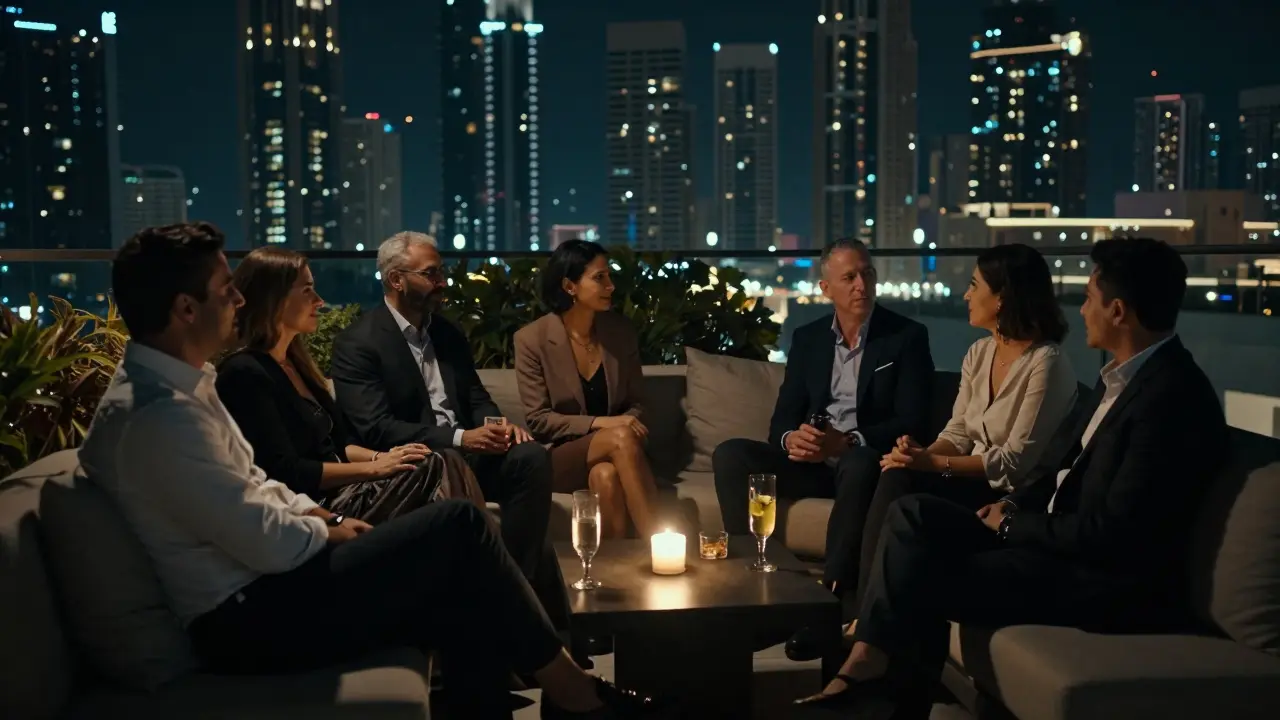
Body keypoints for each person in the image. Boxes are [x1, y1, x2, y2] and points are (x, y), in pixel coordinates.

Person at [78, 222, 665, 719]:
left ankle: (505, 695)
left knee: (462, 565)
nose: (238, 301)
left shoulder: (182, 389)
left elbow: (257, 487)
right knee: (459, 526)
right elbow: (264, 535)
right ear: (186, 308)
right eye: (226, 290)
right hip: (248, 619)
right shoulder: (160, 416)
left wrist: (319, 514)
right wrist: (328, 527)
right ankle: (574, 693)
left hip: (266, 587)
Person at [794, 237, 1229, 717]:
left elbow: (1114, 533)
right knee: (912, 513)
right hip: (1045, 531)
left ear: (1119, 311)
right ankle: (867, 654)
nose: (1080, 309)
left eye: (1088, 297)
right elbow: (1066, 473)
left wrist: (1010, 523)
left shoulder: (1168, 399)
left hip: (1098, 580)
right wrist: (1005, 506)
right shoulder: (1123, 382)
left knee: (919, 570)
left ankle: (873, 686)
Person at [786, 243, 1079, 661]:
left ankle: (858, 618)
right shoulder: (980, 353)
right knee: (895, 468)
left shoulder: (1046, 364)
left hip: (1005, 496)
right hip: (962, 477)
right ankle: (857, 616)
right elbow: (958, 431)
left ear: (1002, 298)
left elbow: (1013, 464)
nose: (965, 295)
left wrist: (929, 462)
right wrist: (918, 451)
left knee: (898, 475)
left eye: (974, 285)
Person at [328, 231, 576, 648]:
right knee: (456, 461)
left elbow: (476, 396)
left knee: (531, 457)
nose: (442, 281)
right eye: (431, 273)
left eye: (441, 271)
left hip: (468, 451)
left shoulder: (446, 333)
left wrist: (496, 424)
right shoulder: (359, 343)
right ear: (396, 280)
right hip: (419, 462)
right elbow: (377, 427)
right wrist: (463, 437)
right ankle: (523, 620)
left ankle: (510, 597)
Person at [712, 238, 935, 584]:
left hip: (861, 463)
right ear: (826, 288)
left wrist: (845, 441)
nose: (862, 286)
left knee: (859, 460)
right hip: (811, 464)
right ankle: (748, 568)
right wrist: (792, 440)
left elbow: (913, 419)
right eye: (850, 278)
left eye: (867, 274)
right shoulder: (808, 339)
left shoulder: (906, 337)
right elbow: (782, 419)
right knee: (730, 454)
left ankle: (835, 589)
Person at [216, 247, 485, 525]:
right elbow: (285, 472)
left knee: (435, 457)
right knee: (436, 464)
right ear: (275, 298)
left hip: (345, 489)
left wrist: (384, 457)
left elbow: (342, 445)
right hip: (315, 505)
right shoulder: (245, 373)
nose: (319, 301)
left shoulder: (297, 367)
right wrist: (374, 469)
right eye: (307, 290)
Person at [514, 240, 660, 539]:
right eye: (599, 278)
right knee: (619, 436)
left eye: (609, 276)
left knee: (605, 476)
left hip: (620, 453)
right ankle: (658, 544)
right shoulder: (532, 340)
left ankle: (615, 570)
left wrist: (625, 422)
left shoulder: (620, 333)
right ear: (569, 286)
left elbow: (638, 404)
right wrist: (603, 424)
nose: (611, 286)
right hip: (561, 455)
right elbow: (540, 419)